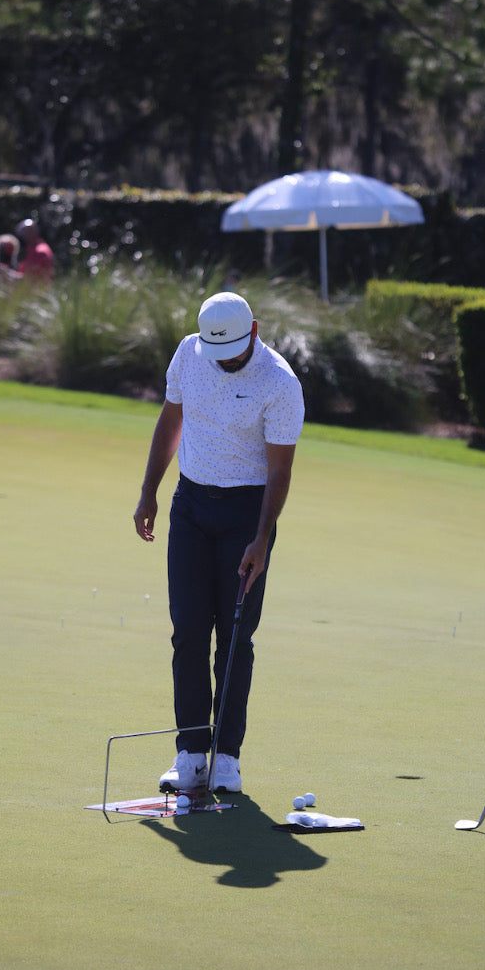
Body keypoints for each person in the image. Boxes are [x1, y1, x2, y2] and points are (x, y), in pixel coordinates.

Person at [133, 291, 305, 793]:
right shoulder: (190, 352)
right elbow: (171, 420)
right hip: (190, 506)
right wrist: (149, 491)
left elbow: (280, 470)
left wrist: (261, 538)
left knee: (234, 640)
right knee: (188, 628)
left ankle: (226, 756)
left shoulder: (280, 383)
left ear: (253, 331)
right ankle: (190, 753)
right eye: (217, 352)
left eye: (232, 351)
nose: (224, 361)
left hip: (245, 513)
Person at [14, 218, 54, 283]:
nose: (20, 237)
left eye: (22, 234)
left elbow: (30, 279)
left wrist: (8, 274)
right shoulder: (35, 249)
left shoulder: (39, 252)